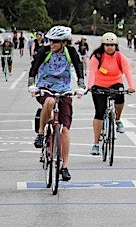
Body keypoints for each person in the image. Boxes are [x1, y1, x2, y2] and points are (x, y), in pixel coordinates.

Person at [28, 25, 86, 181]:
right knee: (49, 100)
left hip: (64, 90)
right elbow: (34, 69)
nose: (51, 44)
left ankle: (65, 166)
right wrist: (31, 86)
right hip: (45, 87)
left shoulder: (71, 52)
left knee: (65, 130)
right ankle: (41, 133)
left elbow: (79, 68)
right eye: (50, 41)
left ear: (64, 43)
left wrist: (81, 87)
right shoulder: (44, 51)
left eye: (55, 42)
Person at [87, 32, 135, 155]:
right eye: (107, 45)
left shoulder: (120, 57)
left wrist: (131, 86)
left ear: (116, 46)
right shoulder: (97, 56)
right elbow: (92, 71)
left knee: (120, 97)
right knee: (99, 112)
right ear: (103, 45)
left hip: (115, 82)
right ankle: (96, 143)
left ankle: (118, 119)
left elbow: (128, 72)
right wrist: (91, 86)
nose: (110, 47)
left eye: (112, 45)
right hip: (99, 84)